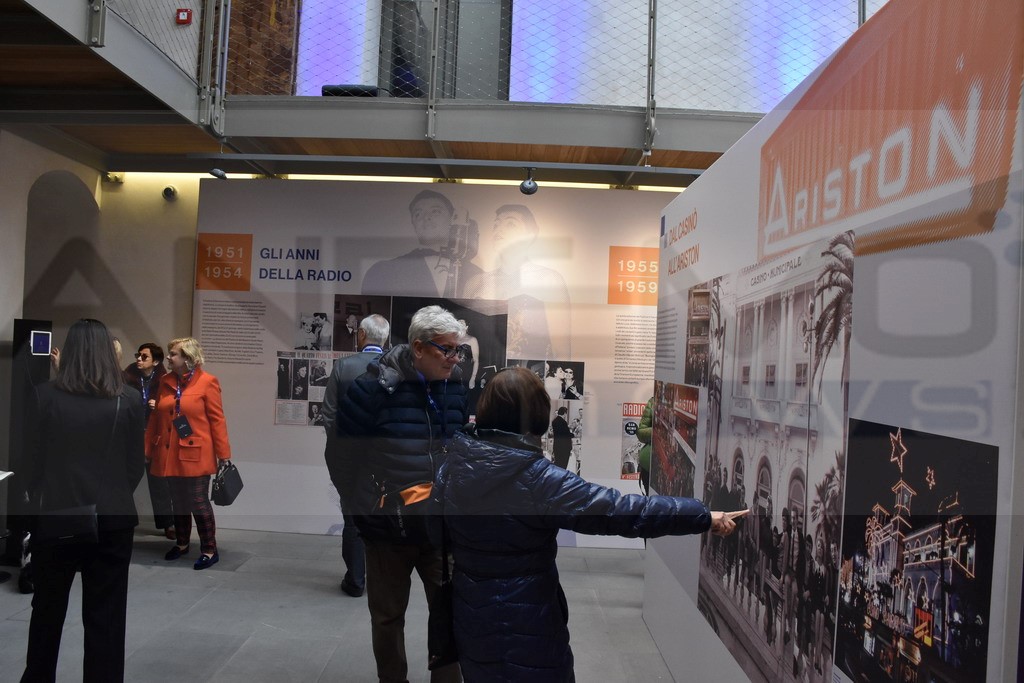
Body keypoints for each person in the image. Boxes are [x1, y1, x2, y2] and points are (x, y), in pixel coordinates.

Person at [436, 367, 743, 682]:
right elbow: (623, 511)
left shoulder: (453, 466)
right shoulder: (539, 480)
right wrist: (701, 515)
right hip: (528, 620)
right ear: (535, 415)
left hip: (471, 613)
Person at [336, 306, 467, 683]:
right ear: (418, 347)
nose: (454, 358)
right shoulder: (372, 387)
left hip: (440, 528)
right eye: (446, 349)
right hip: (387, 529)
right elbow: (344, 456)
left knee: (449, 614)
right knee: (387, 617)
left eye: (458, 350)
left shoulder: (455, 384)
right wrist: (361, 510)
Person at [21, 318, 146, 682]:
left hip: (57, 517)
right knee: (106, 616)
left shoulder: (45, 396)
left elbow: (31, 463)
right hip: (112, 519)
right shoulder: (129, 400)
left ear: (70, 352)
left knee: (47, 612)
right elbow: (134, 467)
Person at [146, 337, 233, 570]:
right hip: (169, 452)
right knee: (178, 501)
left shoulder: (207, 382)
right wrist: (149, 448)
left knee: (198, 501)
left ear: (188, 358)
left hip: (196, 452)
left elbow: (217, 420)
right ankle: (182, 543)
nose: (168, 357)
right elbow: (156, 418)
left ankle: (209, 549)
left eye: (173, 354)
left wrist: (223, 453)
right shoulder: (165, 381)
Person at [322, 313, 390, 598]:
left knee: (352, 516)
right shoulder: (395, 368)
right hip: (384, 459)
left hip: (346, 458)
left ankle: (356, 580)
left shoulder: (343, 366)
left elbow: (328, 414)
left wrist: (341, 447)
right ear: (385, 338)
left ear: (361, 334)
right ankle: (381, 577)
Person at [464, 204, 570, 358]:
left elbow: (561, 350)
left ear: (530, 234)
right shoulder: (475, 283)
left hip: (528, 370)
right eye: (496, 225)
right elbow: (464, 340)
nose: (499, 230)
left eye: (510, 224)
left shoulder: (549, 280)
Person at [361, 190, 483, 297]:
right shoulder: (383, 271)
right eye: (418, 214)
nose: (426, 217)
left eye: (435, 211)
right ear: (413, 223)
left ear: (452, 219)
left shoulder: (479, 276)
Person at [123, 342, 175, 538]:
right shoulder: (128, 376)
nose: (139, 359)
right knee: (126, 480)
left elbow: (174, 406)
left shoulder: (164, 380)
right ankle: (120, 520)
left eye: (144, 356)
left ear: (155, 361)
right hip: (132, 435)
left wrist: (159, 405)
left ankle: (168, 524)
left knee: (159, 482)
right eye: (138, 355)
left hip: (154, 436)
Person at [636, 396, 654, 494]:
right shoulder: (654, 401)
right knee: (651, 500)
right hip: (649, 466)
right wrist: (658, 430)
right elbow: (641, 433)